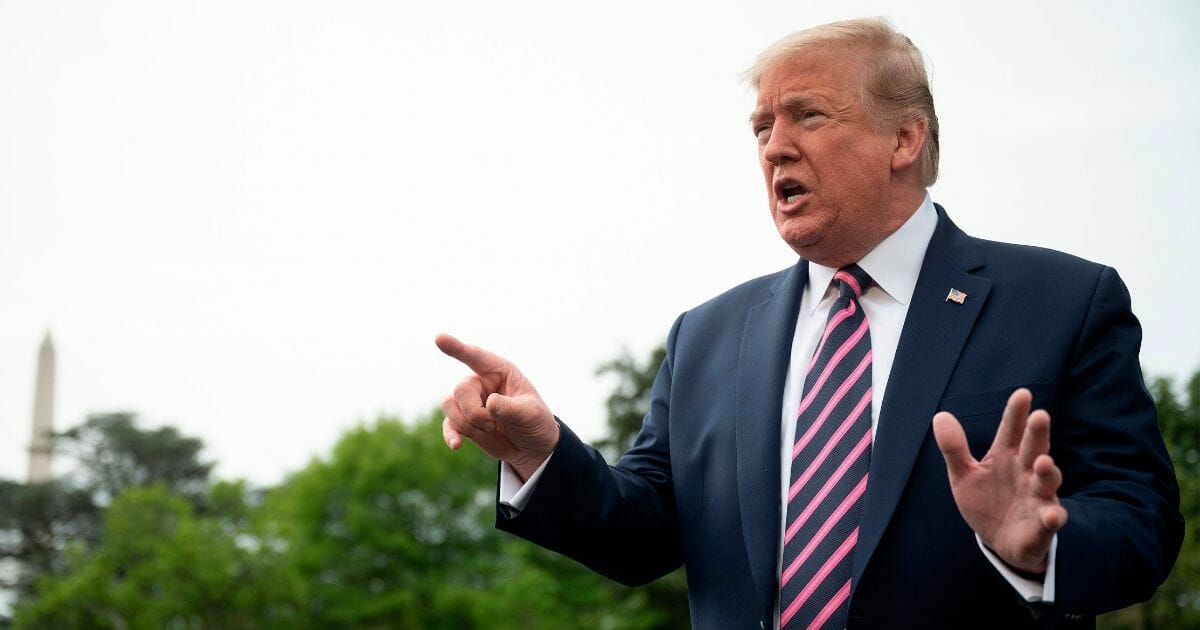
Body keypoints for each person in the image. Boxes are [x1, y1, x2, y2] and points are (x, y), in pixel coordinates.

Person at [436, 18, 1182, 629]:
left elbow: (1141, 523)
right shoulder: (707, 336)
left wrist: (1039, 548)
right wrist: (544, 455)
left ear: (904, 139)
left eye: (809, 115)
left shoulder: (1061, 302)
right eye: (761, 126)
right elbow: (643, 534)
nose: (775, 146)